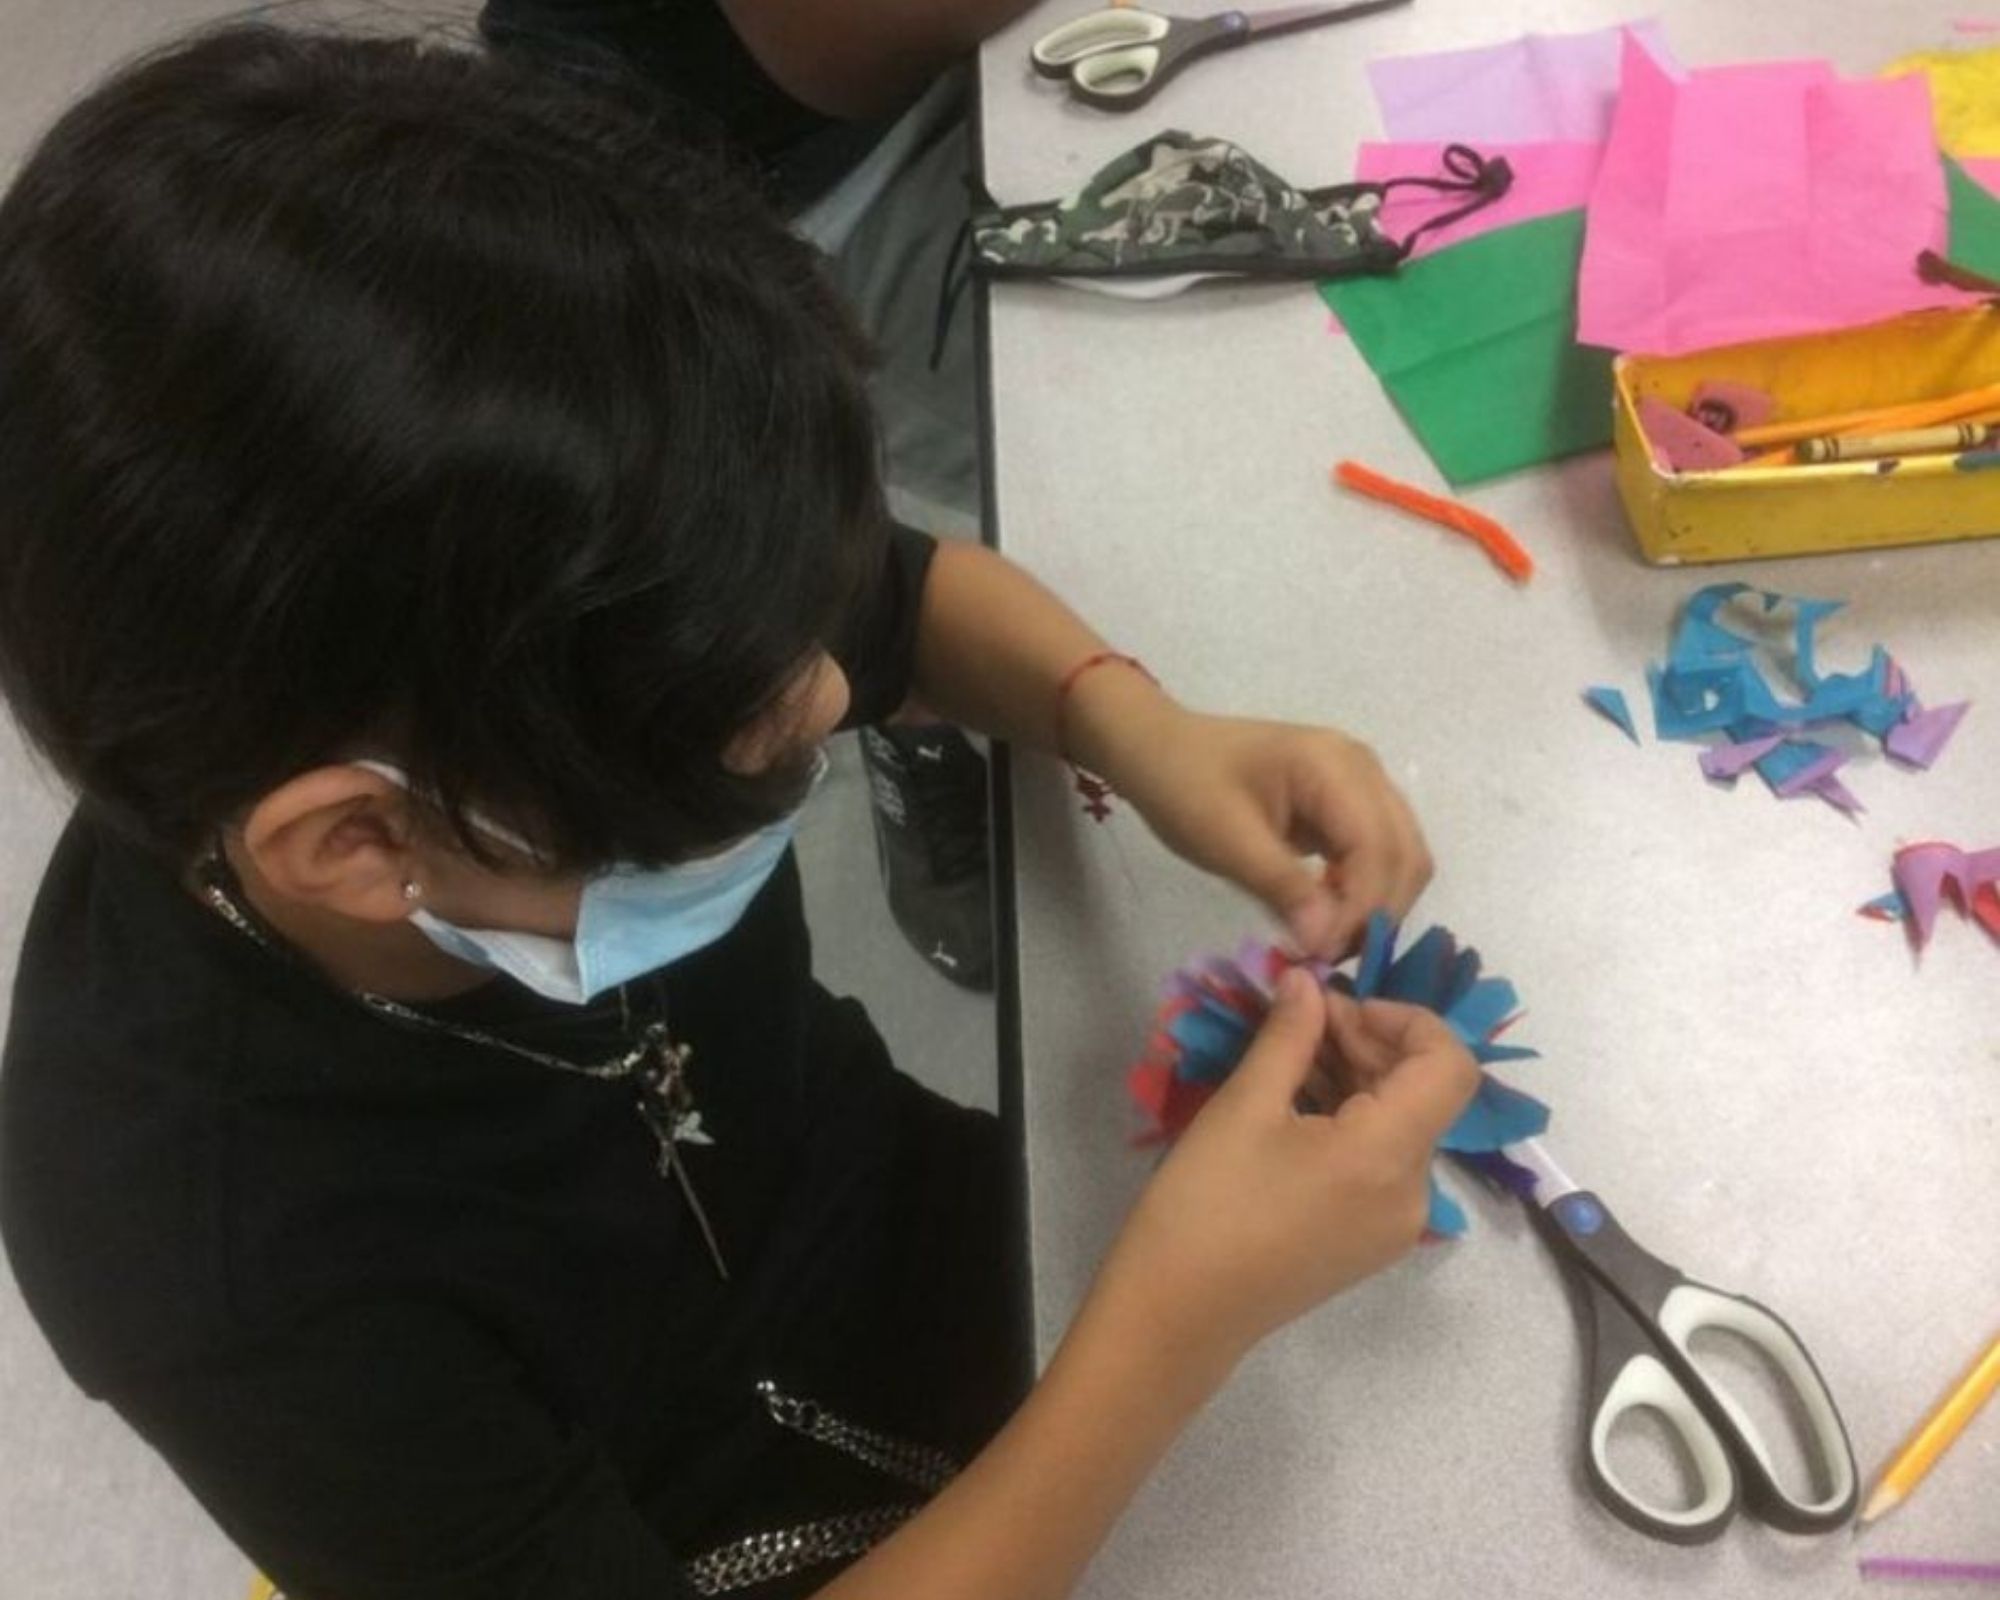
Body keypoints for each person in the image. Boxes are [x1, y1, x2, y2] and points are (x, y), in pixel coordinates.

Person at [0, 25, 1468, 1600]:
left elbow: (896, 600)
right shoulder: (216, 1269)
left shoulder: (572, 643)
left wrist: (1136, 723)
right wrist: (1175, 1327)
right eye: (751, 727)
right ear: (364, 842)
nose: (835, 701)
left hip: (900, 1234)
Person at [477, 0, 1024, 991]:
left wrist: (1132, 727)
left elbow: (849, 1114)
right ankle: (919, 732)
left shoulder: (705, 971)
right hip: (760, 146)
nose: (826, 705)